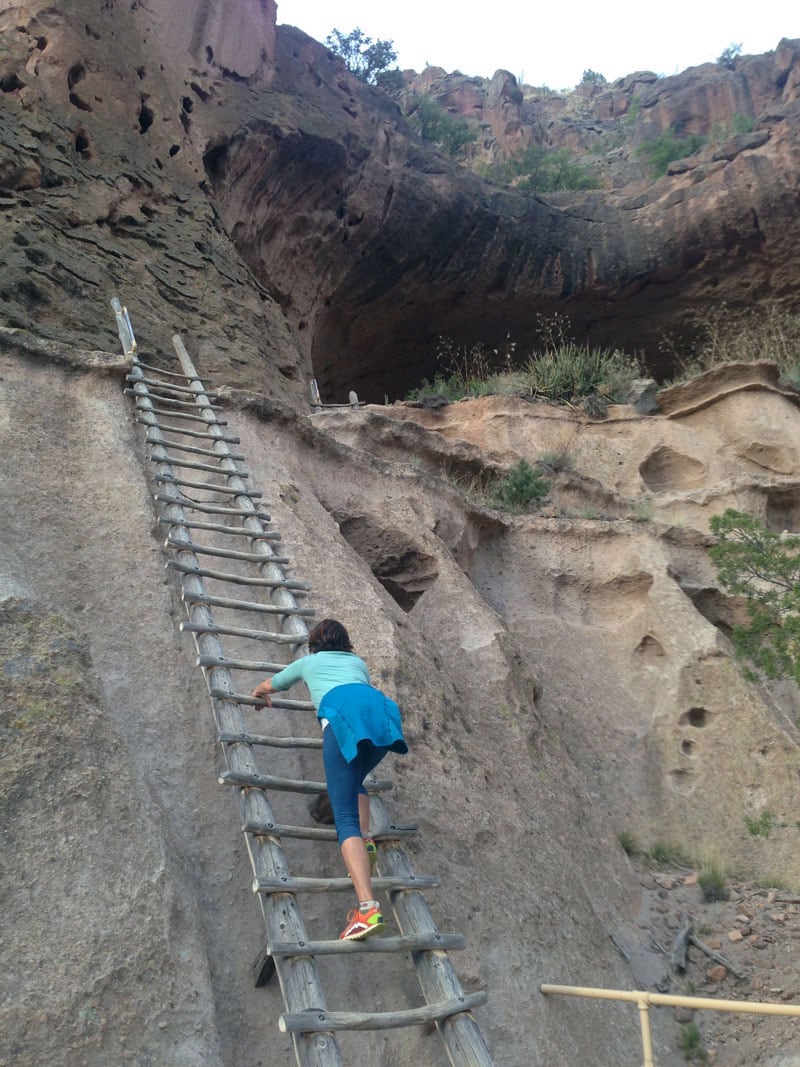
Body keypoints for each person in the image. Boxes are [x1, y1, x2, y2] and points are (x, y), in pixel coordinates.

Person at [252, 619, 408, 941]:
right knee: (354, 781)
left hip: (343, 716)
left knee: (345, 817)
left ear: (314, 644)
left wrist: (257, 692)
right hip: (380, 715)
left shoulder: (309, 662)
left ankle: (366, 908)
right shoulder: (357, 663)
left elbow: (273, 684)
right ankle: (365, 843)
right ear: (346, 642)